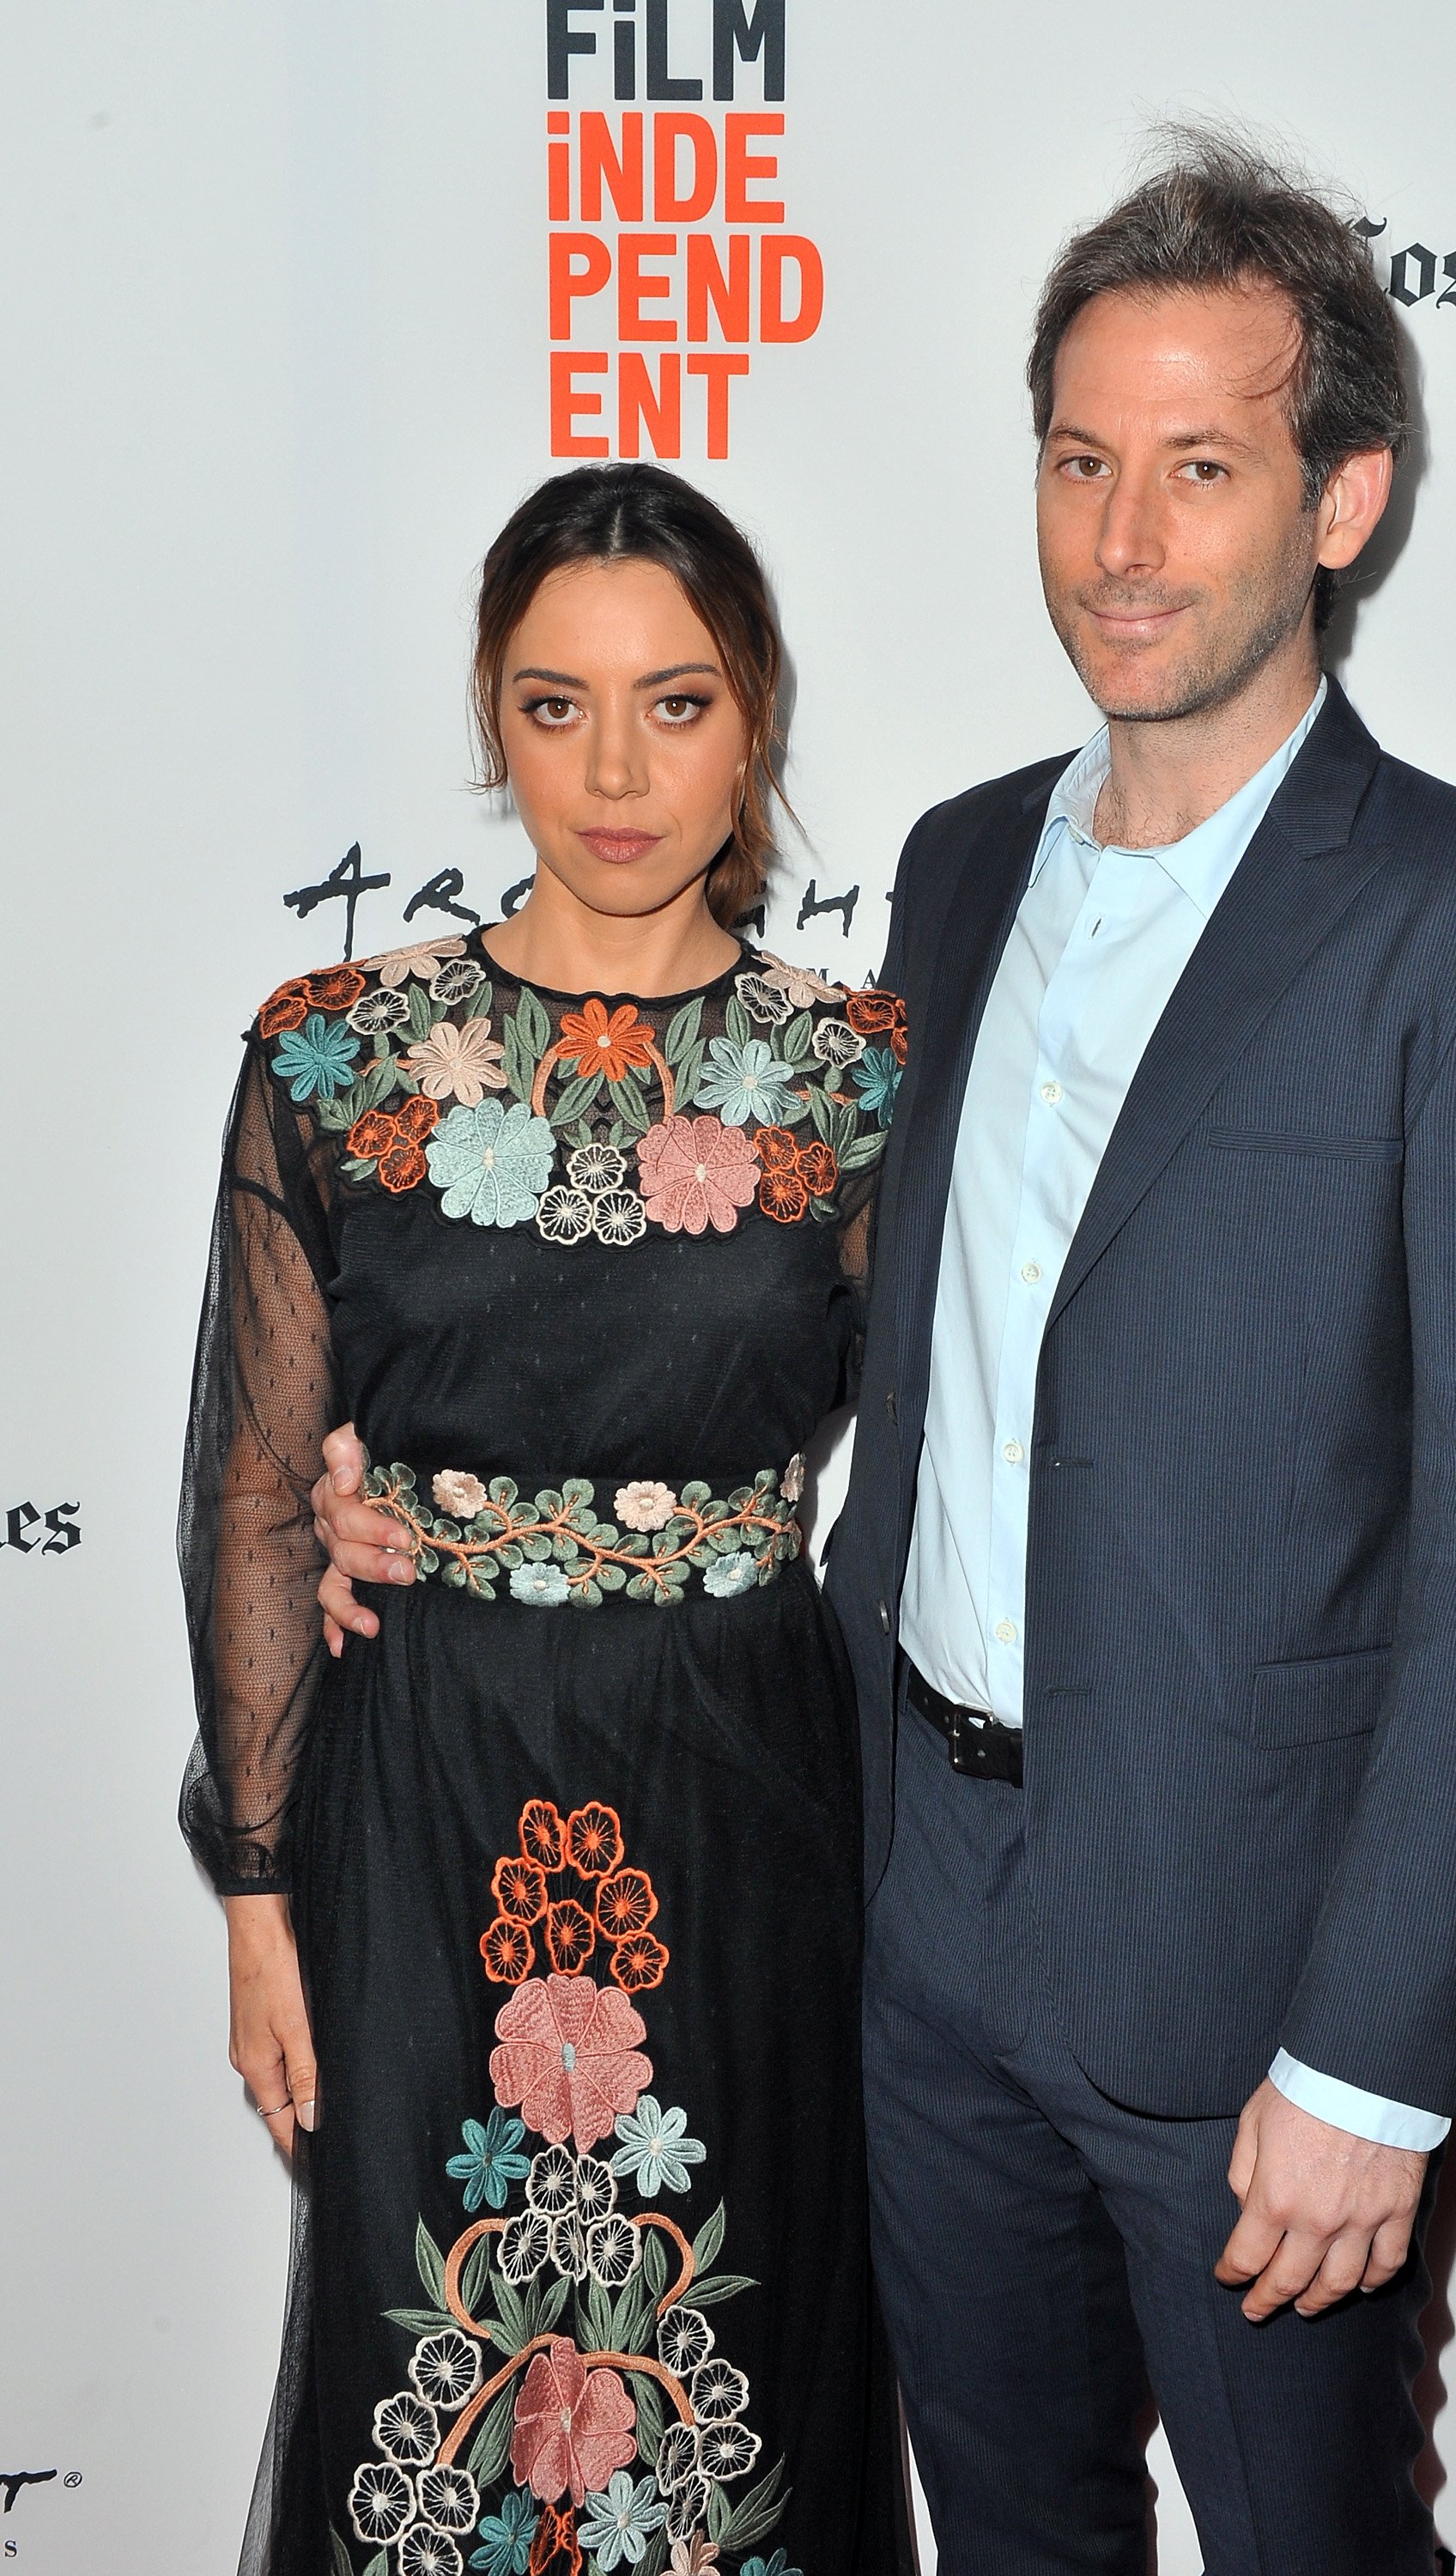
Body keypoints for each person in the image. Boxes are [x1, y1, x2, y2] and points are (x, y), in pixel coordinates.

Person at [315, 131, 1456, 2574]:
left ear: (1340, 499)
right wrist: (410, 1473)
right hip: (906, 1926)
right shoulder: (946, 871)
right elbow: (767, 1330)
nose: (1121, 540)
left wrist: (1372, 2057)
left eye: (1200, 467)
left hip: (1252, 1982)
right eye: (1076, 460)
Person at [180, 463, 910, 2576]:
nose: (615, 770)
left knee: (737, 2354)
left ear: (754, 716)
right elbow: (251, 1482)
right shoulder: (336, 1060)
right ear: (489, 719)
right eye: (554, 703)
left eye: (675, 704)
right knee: (431, 2366)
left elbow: (966, 1458)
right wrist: (255, 1889)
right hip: (418, 1794)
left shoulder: (857, 1075)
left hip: (747, 1794)